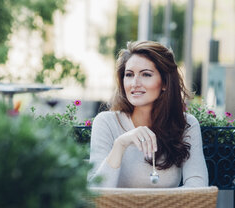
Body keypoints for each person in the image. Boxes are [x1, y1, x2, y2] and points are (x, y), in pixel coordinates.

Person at [89, 40, 208, 188]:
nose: (135, 83)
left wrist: (152, 206)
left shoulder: (185, 124)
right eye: (129, 74)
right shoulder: (106, 122)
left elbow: (197, 187)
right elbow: (96, 192)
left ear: (164, 83)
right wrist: (121, 144)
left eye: (146, 74)